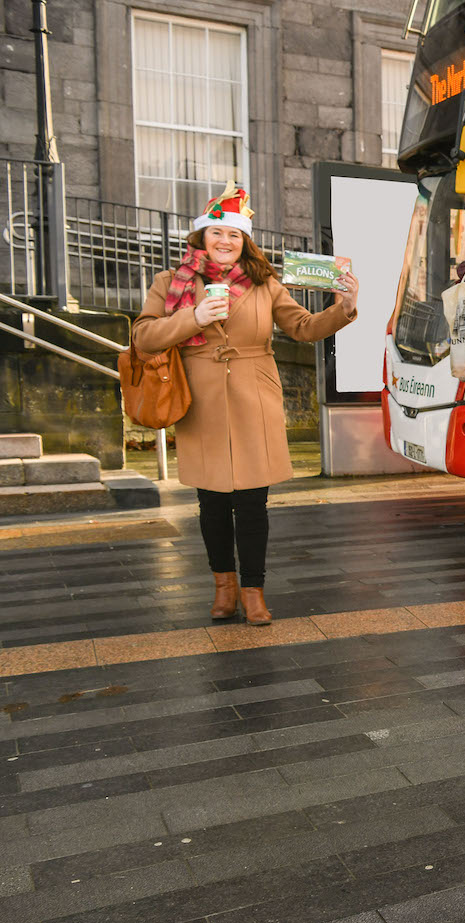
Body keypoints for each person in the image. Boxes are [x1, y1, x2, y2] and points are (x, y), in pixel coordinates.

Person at [132, 182, 359, 626]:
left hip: (254, 393)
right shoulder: (170, 283)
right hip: (200, 398)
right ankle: (224, 587)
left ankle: (253, 590)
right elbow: (142, 338)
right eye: (217, 233)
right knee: (212, 501)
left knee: (254, 502)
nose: (224, 241)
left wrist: (345, 306)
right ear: (202, 237)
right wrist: (191, 319)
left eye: (234, 235)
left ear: (244, 242)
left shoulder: (264, 282)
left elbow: (304, 327)